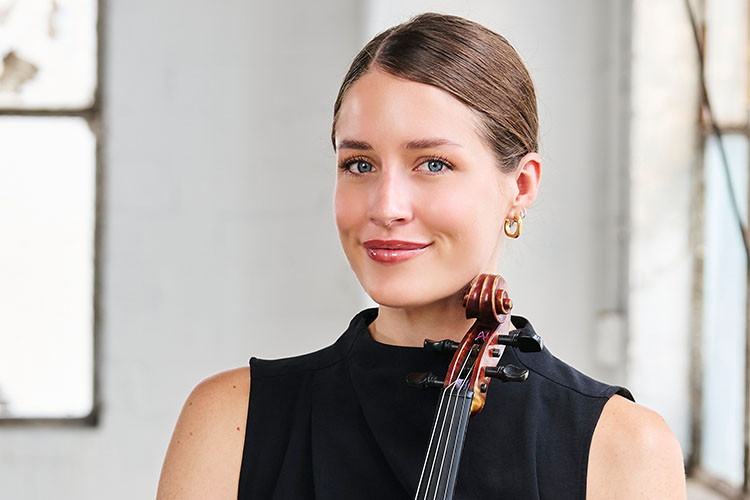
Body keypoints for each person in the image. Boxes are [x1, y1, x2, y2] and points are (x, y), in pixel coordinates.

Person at [156, 13, 686, 500]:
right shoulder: (231, 423)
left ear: (520, 186)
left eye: (433, 164)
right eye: (359, 164)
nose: (386, 207)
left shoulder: (623, 449)